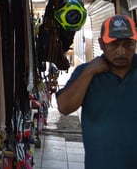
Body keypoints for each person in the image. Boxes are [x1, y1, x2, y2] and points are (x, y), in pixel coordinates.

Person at [56, 14, 137, 169]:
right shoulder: (86, 73)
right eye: (114, 44)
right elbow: (64, 107)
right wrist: (89, 72)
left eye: (128, 44)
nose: (121, 51)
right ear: (101, 44)